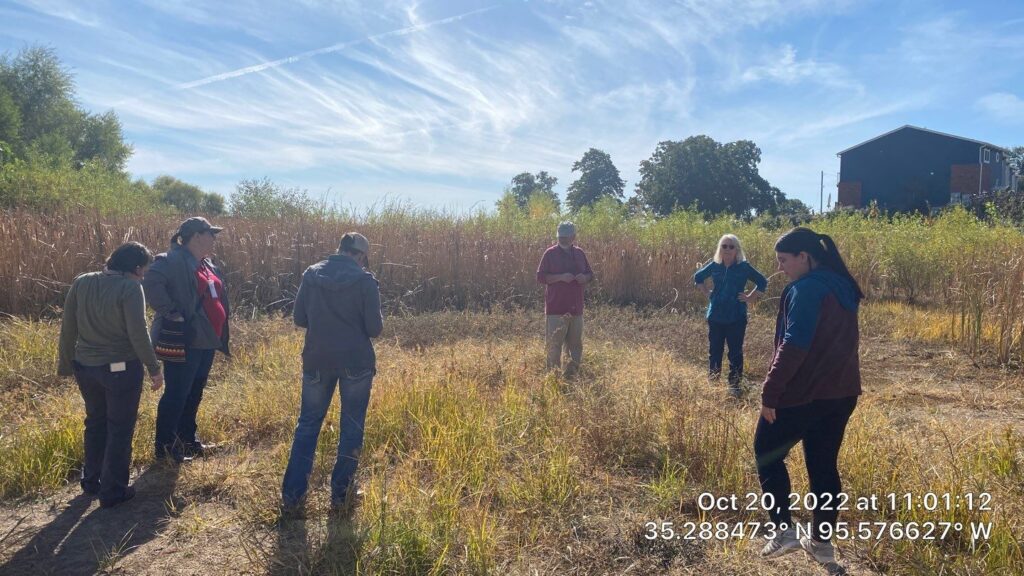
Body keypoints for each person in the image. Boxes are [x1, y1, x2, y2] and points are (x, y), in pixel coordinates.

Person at [755, 227, 864, 566]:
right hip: (841, 393)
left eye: (784, 260)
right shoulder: (842, 286)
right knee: (823, 466)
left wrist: (770, 391)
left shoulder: (806, 289)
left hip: (802, 394)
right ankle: (821, 542)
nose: (780, 268)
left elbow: (795, 344)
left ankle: (784, 531)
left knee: (766, 453)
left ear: (804, 257)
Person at [281, 232, 383, 513]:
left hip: (316, 359)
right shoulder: (365, 281)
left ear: (339, 249)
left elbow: (300, 318)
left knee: (308, 425)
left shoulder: (311, 275)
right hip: (356, 362)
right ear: (360, 255)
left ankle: (292, 496)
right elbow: (375, 329)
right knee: (351, 426)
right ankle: (341, 495)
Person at [57, 242, 164, 508]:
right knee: (119, 428)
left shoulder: (81, 282)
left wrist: (66, 365)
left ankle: (91, 481)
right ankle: (113, 490)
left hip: (86, 367)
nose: (144, 276)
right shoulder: (130, 288)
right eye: (144, 271)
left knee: (95, 422)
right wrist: (154, 368)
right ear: (137, 268)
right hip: (120, 369)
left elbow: (68, 327)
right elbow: (138, 333)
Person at [143, 217, 230, 463]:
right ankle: (165, 448)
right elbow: (151, 281)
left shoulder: (207, 264)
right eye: (210, 233)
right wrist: (171, 312)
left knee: (194, 391)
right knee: (177, 393)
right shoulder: (170, 260)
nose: (214, 238)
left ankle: (187, 440)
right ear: (195, 236)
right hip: (184, 338)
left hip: (207, 339)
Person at [693, 234, 768, 397]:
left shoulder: (744, 267)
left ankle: (734, 386)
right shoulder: (715, 265)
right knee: (715, 350)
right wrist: (706, 292)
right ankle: (713, 382)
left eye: (731, 246)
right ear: (720, 248)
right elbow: (698, 277)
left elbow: (762, 281)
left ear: (737, 250)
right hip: (716, 315)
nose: (727, 249)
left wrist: (749, 298)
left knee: (735, 351)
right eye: (724, 246)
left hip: (736, 316)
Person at [536, 221, 594, 377]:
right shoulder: (550, 253)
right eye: (560, 237)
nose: (561, 240)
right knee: (554, 346)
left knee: (575, 345)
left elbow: (590, 274)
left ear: (573, 237)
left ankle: (571, 376)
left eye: (565, 237)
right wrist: (561, 277)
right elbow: (541, 277)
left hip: (576, 308)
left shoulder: (580, 253)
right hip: (556, 308)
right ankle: (553, 377)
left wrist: (585, 278)